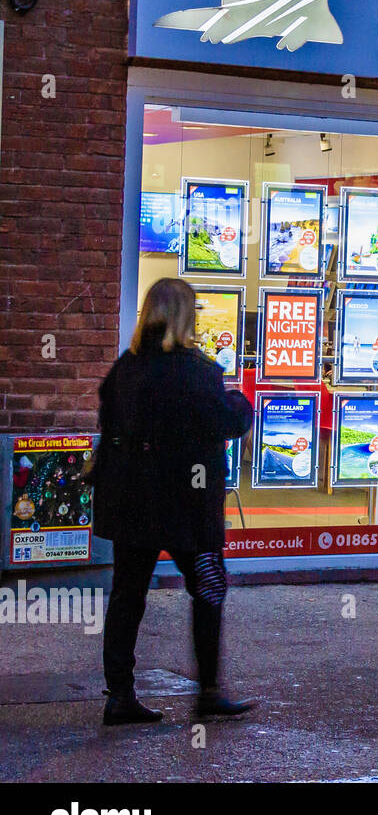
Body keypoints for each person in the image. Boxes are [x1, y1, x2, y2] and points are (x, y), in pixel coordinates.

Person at [93, 278, 256, 725]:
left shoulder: (126, 368)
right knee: (207, 587)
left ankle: (120, 695)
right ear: (187, 317)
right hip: (189, 505)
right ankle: (208, 692)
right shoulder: (197, 371)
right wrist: (240, 402)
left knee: (127, 594)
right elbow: (226, 421)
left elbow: (110, 420)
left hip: (133, 503)